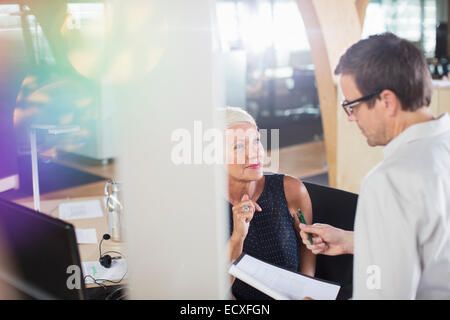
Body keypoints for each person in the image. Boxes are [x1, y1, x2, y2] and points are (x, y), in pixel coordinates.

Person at [299, 33, 450, 299]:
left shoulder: (389, 180)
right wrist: (351, 241)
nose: (351, 118)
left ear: (387, 102)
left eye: (352, 106)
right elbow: (434, 245)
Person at [223, 106, 316, 300]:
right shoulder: (208, 210)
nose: (254, 153)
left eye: (256, 141)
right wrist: (238, 237)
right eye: (239, 146)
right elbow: (216, 290)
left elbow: (308, 245)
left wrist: (306, 289)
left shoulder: (292, 190)